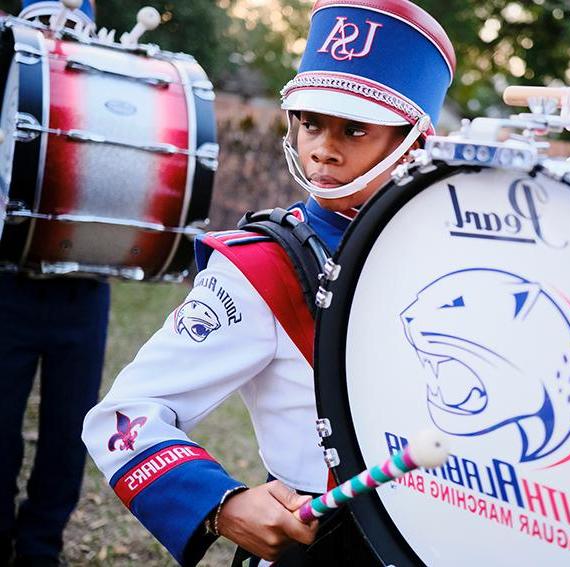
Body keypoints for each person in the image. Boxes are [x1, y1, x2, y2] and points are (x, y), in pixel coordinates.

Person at [81, 1, 455, 565]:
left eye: (355, 129)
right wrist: (222, 503)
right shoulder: (261, 269)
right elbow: (126, 414)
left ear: (412, 143)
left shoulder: (457, 254)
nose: (322, 148)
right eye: (310, 121)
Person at [1, 4, 106, 566]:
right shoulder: (5, 83)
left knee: (69, 434)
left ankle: (41, 550)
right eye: (44, 23)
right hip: (7, 282)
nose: (55, 40)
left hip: (82, 285)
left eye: (71, 30)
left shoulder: (105, 92)